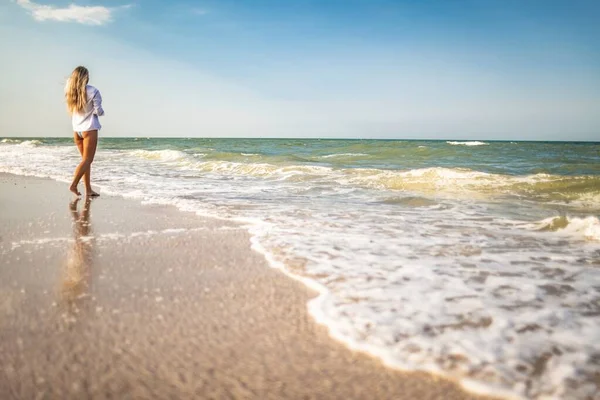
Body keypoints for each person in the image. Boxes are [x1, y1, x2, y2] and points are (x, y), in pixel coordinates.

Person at [65, 66, 104, 197]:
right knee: (87, 160)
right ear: (85, 77)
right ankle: (74, 184)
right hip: (89, 128)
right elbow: (98, 111)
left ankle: (88, 190)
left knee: (85, 161)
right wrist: (100, 112)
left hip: (77, 130)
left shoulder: (70, 92)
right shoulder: (93, 91)